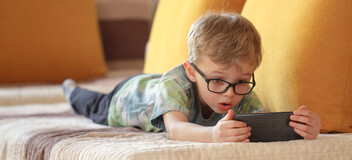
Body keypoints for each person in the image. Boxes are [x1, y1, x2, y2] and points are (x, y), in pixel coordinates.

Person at [62, 12, 321, 143]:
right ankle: (70, 89)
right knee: (90, 104)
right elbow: (175, 129)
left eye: (242, 81)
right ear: (190, 71)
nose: (229, 93)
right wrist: (213, 136)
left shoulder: (239, 90)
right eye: (217, 80)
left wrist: (299, 127)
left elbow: (262, 122)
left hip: (159, 85)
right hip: (127, 96)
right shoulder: (176, 84)